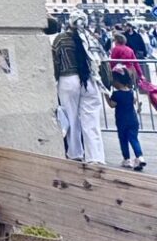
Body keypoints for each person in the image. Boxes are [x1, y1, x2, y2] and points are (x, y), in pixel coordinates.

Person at [52, 14, 106, 164]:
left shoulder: (61, 39)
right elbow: (102, 60)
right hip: (89, 81)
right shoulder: (91, 38)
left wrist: (54, 80)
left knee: (72, 119)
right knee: (92, 121)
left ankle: (75, 153)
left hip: (68, 79)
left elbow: (55, 61)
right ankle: (96, 156)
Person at [108, 68, 145, 170]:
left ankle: (127, 159)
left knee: (123, 140)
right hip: (133, 120)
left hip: (121, 121)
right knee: (134, 139)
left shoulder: (116, 94)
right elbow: (134, 101)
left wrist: (106, 95)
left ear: (117, 81)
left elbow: (112, 105)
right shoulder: (131, 92)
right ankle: (140, 157)